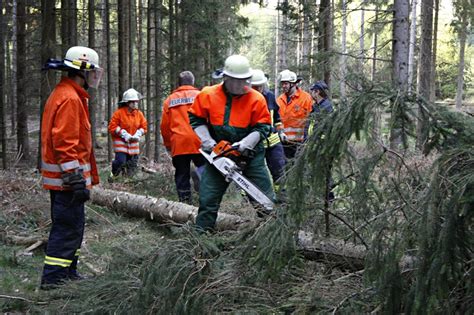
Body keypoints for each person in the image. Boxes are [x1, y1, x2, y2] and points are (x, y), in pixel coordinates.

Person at [40, 46, 103, 287]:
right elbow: (65, 143)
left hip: (67, 181)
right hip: (66, 182)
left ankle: (68, 274)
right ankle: (54, 279)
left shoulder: (70, 94)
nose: (94, 77)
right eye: (92, 72)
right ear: (82, 71)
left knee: (74, 228)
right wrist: (74, 177)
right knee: (67, 229)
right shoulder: (69, 98)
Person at [189, 55, 274, 231]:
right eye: (238, 81)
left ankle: (272, 238)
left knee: (265, 201)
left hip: (251, 157)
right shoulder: (207, 95)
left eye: (245, 80)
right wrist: (208, 141)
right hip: (219, 156)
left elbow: (264, 126)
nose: (243, 85)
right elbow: (195, 118)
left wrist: (246, 142)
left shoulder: (256, 99)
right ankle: (201, 239)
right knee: (208, 200)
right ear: (226, 78)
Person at [161, 71, 206, 203]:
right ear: (193, 82)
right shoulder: (201, 96)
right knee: (205, 169)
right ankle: (205, 198)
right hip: (200, 140)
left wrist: (168, 145)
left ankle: (185, 204)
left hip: (179, 142)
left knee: (181, 174)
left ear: (179, 83)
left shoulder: (170, 100)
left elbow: (164, 126)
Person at [250, 69, 286, 185]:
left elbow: (276, 118)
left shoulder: (270, 96)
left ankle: (281, 196)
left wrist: (281, 131)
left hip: (273, 142)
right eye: (255, 87)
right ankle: (250, 199)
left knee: (279, 171)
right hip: (255, 144)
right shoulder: (246, 99)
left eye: (260, 86)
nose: (258, 89)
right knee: (253, 174)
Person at [108, 88, 148, 178]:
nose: (135, 104)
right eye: (133, 102)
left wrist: (138, 133)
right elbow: (112, 127)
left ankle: (128, 181)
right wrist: (123, 133)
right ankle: (113, 175)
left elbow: (144, 127)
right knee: (120, 162)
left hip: (133, 145)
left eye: (136, 102)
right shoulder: (119, 113)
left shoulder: (139, 114)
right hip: (121, 144)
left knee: (132, 165)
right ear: (127, 102)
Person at [276, 69, 313, 159]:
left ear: (293, 84)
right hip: (284, 142)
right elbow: (277, 119)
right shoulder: (279, 100)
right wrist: (280, 132)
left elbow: (311, 119)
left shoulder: (306, 98)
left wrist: (308, 138)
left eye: (286, 83)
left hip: (300, 142)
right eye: (282, 83)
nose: (283, 86)